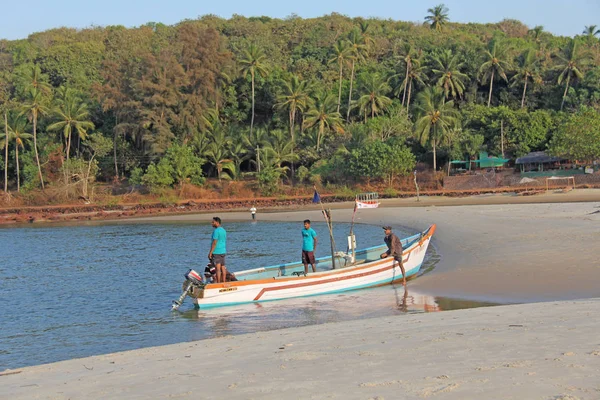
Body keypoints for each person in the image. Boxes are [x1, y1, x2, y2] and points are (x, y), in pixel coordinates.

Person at [208, 217, 227, 283]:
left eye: (213, 222)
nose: (212, 223)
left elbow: (214, 242)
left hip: (217, 251)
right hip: (223, 250)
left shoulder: (216, 231)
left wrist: (210, 252)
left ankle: (219, 283)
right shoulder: (223, 230)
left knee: (217, 268)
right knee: (223, 267)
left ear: (217, 222)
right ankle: (224, 281)